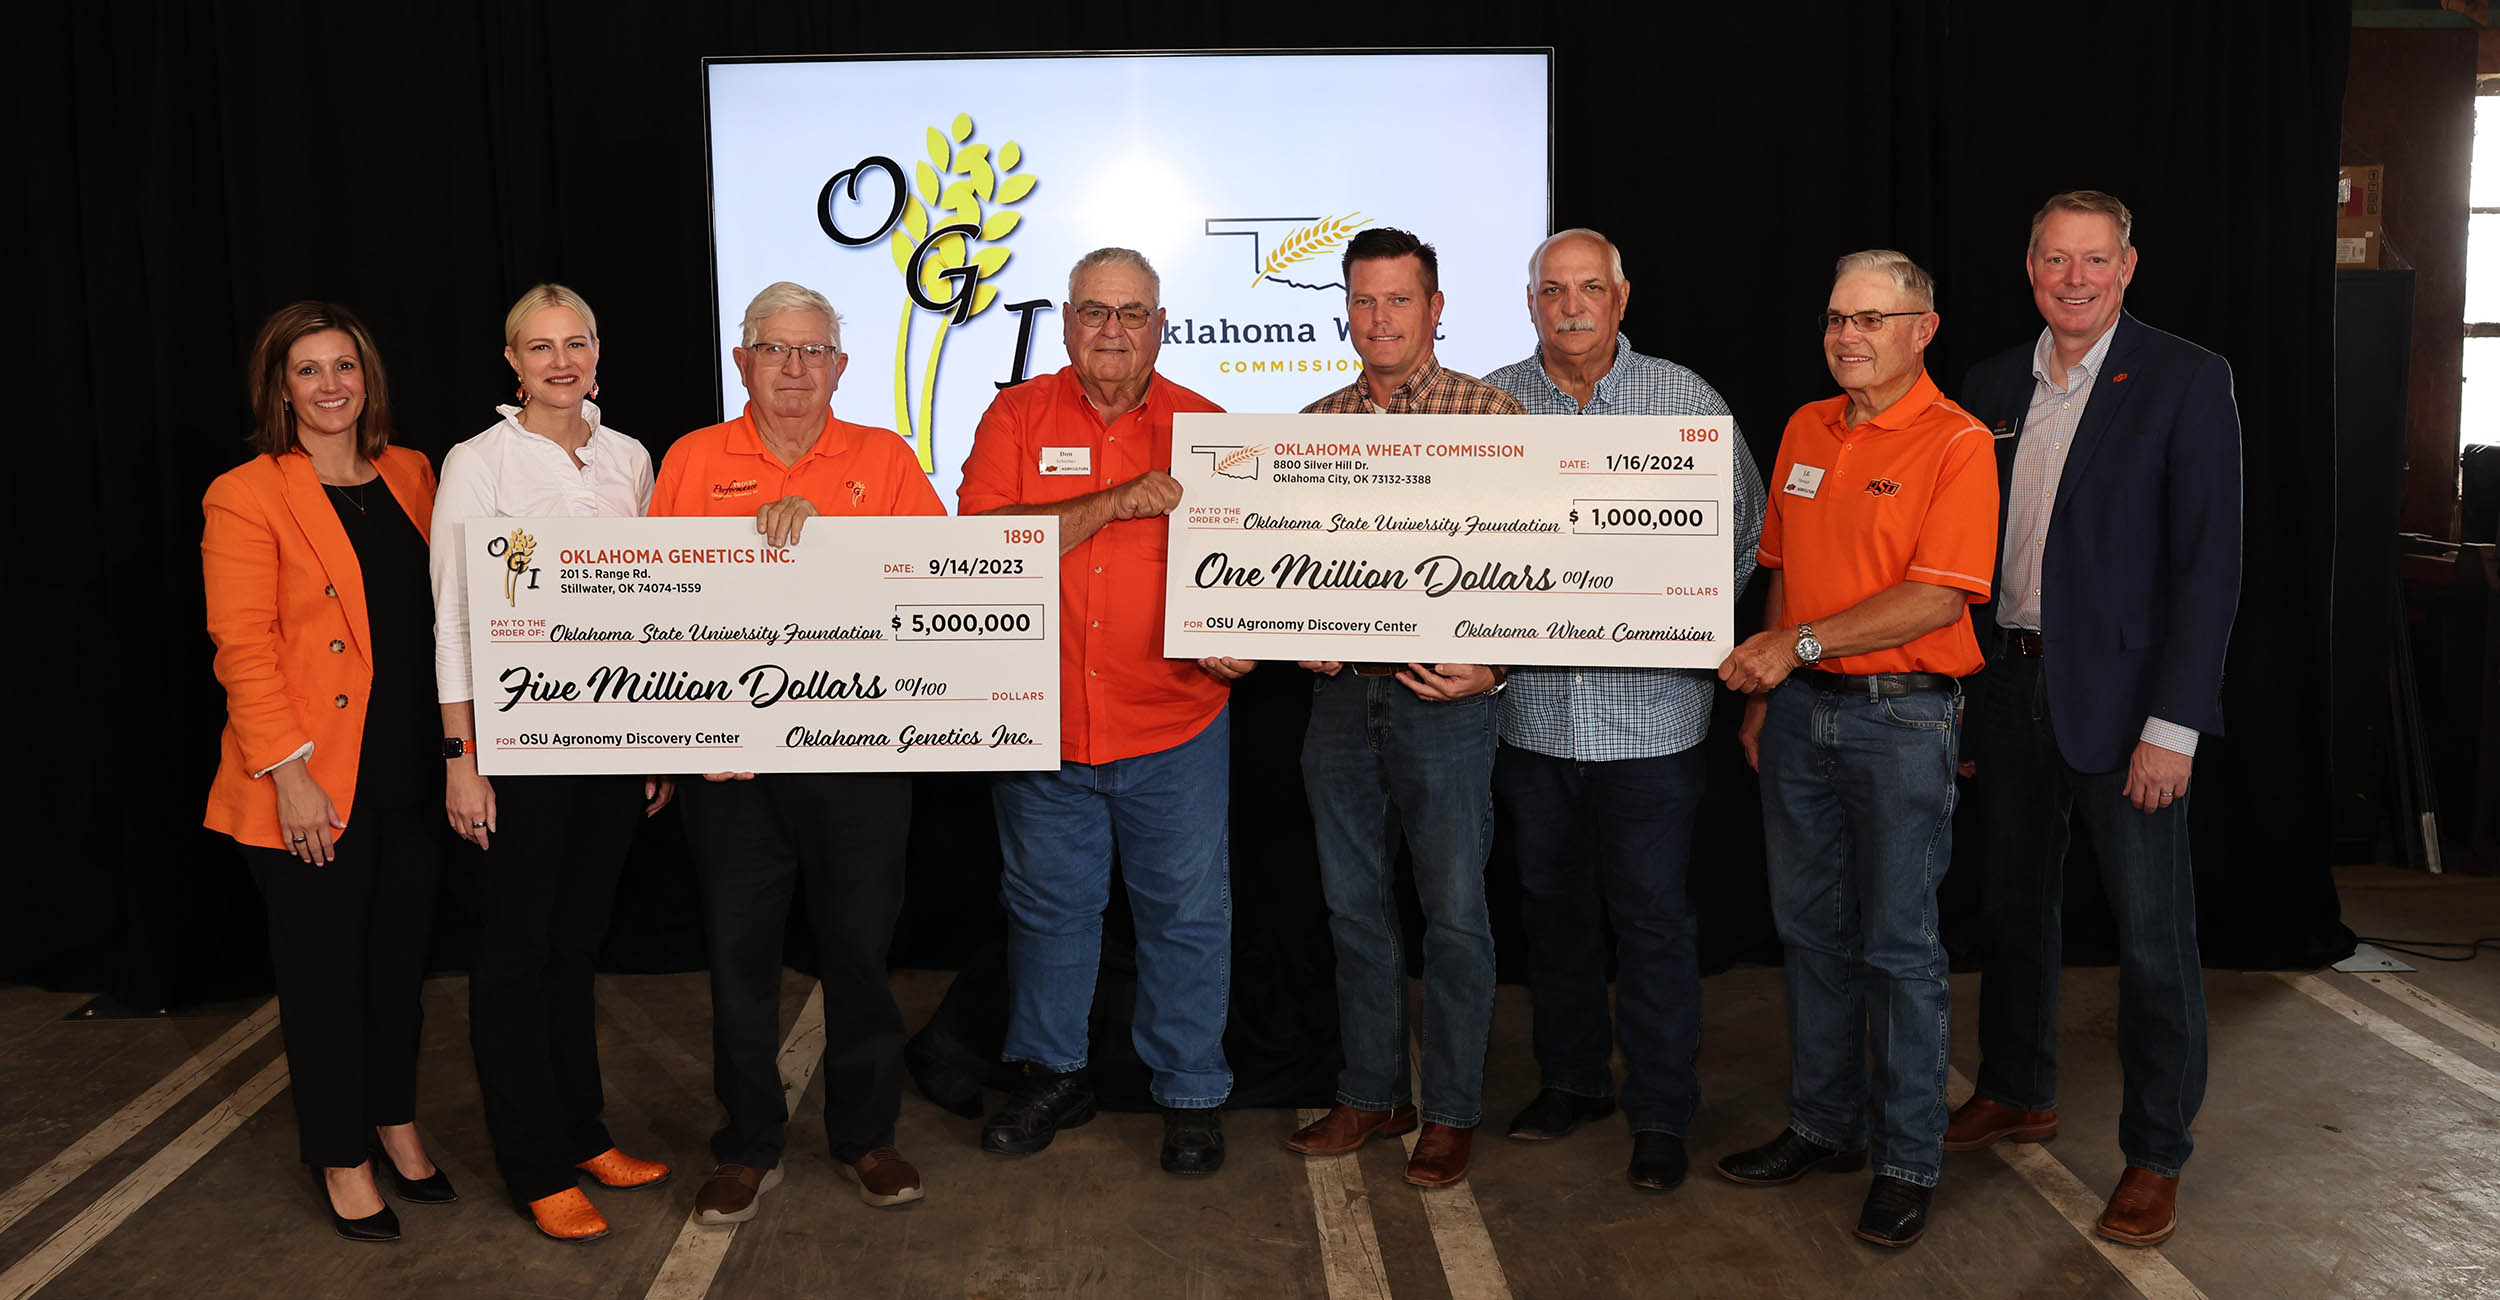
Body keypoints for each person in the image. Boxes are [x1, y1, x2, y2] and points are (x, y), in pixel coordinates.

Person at [1948, 191, 2242, 1248]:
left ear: (2126, 267)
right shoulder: (1989, 385)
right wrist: (1970, 705)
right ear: (2029, 267)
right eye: (2053, 260)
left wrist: (2175, 725)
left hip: (2128, 710)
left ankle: (2155, 1151)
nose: (2073, 280)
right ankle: (2018, 1088)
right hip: (2009, 686)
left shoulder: (2184, 377)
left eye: (2094, 261)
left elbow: (2208, 567)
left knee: (2153, 938)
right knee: (2013, 910)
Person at [1712, 250, 1997, 1248]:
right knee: (1809, 931)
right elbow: (1783, 569)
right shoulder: (1804, 427)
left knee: (1899, 948)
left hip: (1901, 718)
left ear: (1923, 328)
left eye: (1872, 319)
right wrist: (1771, 693)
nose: (1847, 336)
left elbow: (1934, 594)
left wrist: (1793, 647)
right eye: (1837, 317)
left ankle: (1908, 1158)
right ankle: (1823, 1125)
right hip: (1798, 716)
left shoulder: (1956, 442)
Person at [651, 281, 945, 1223]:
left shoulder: (885, 459)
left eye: (811, 351)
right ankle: (745, 1146)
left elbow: (936, 587)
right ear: (743, 362)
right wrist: (690, 731)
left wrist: (831, 545)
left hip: (859, 758)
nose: (793, 368)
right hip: (733, 767)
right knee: (740, 962)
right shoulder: (693, 461)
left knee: (859, 957)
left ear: (840, 367)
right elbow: (656, 606)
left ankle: (867, 1138)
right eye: (774, 350)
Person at [1482, 229, 1767, 1192]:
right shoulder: (1488, 404)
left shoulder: (1688, 404)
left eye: (1589, 288)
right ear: (1531, 304)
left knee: (1651, 922)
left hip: (1651, 720)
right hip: (1530, 716)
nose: (1571, 305)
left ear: (1622, 296)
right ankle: (1571, 1082)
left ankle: (1658, 1109)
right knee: (1551, 912)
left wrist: (1653, 612)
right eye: (1552, 289)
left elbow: (1738, 547)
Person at [958, 248, 1247, 1175]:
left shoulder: (1207, 429)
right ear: (1068, 321)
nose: (1113, 330)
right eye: (1093, 311)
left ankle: (1192, 1091)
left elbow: (1246, 571)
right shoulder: (1016, 413)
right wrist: (1118, 501)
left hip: (1176, 720)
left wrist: (1240, 631)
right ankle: (1052, 1074)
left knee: (1187, 915)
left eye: (1133, 313)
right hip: (1040, 718)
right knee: (1047, 911)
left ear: (1161, 324)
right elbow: (985, 543)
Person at [429, 283, 672, 1242]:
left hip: (612, 743)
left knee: (575, 950)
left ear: (599, 351)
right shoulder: (478, 463)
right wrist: (461, 755)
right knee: (515, 961)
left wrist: (659, 736)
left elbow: (654, 604)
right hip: (518, 750)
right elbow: (452, 614)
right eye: (540, 347)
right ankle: (534, 1168)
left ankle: (583, 1135)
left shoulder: (629, 458)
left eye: (575, 343)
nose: (560, 362)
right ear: (513, 363)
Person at [203, 301, 451, 1242]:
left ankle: (394, 1119)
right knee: (324, 979)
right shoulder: (246, 492)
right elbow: (243, 646)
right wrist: (290, 774)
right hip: (310, 783)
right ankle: (340, 1153)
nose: (331, 385)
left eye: (344, 365)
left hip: (412, 771)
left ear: (368, 377)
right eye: (307, 371)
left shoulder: (414, 474)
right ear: (279, 389)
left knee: (399, 966)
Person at [1284, 227, 1523, 1190]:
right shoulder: (1310, 425)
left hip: (1445, 703)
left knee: (1456, 916)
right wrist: (1290, 623)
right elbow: (1286, 569)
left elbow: (1543, 563)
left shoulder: (1492, 413)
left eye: (1397, 300)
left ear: (1435, 309)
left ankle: (1452, 1112)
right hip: (1342, 700)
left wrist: (1496, 664)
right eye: (1362, 300)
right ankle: (1372, 1095)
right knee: (1352, 910)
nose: (1378, 319)